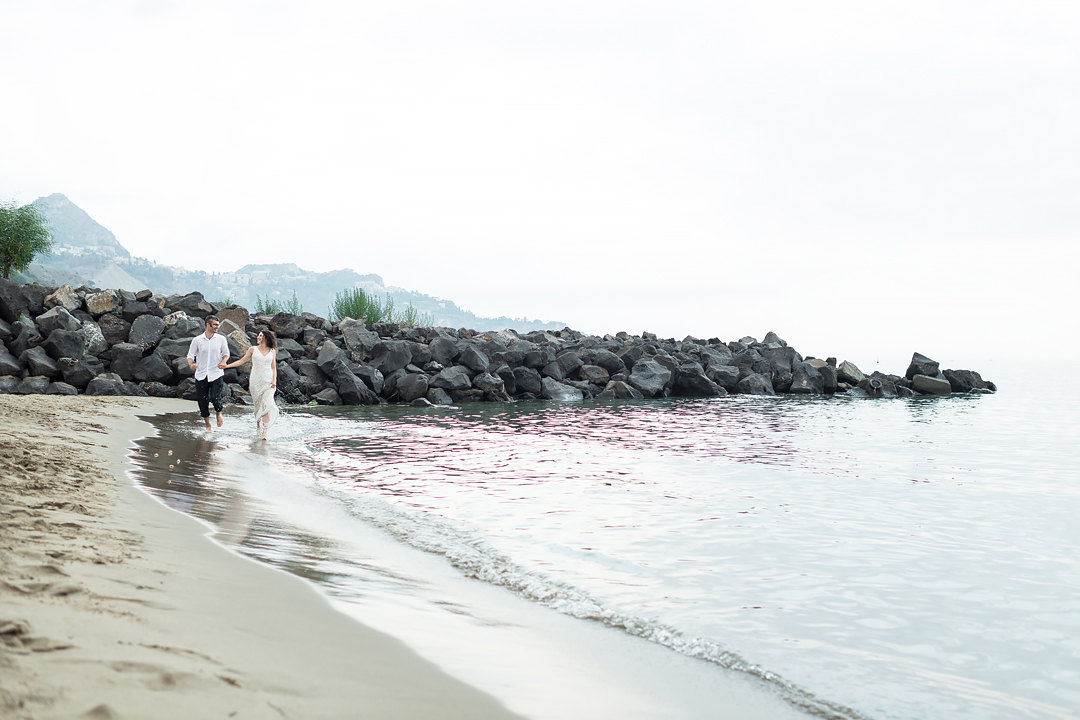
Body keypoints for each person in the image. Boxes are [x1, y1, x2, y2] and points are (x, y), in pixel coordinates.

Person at [219, 329, 279, 440]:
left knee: (267, 404)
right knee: (258, 406)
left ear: (265, 337)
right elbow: (241, 361)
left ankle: (265, 432)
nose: (258, 337)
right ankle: (258, 427)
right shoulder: (253, 349)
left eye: (260, 336)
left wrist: (274, 380)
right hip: (255, 381)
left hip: (268, 381)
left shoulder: (272, 351)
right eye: (258, 335)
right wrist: (226, 366)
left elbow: (273, 367)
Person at [186, 315, 230, 432]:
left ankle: (218, 413)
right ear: (208, 325)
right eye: (215, 324)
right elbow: (190, 356)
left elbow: (226, 354)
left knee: (215, 397)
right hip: (201, 374)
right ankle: (207, 425)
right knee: (202, 401)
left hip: (216, 373)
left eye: (218, 325)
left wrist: (224, 361)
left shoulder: (221, 339)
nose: (217, 327)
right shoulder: (197, 340)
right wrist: (191, 364)